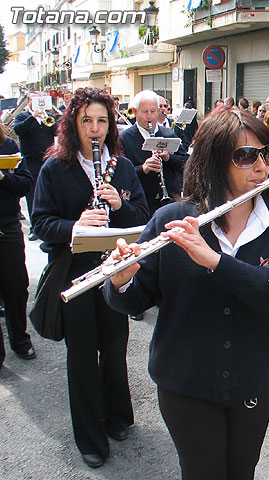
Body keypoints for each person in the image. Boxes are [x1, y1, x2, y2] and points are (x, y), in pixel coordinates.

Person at [103, 109, 269, 479]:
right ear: (215, 160)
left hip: (252, 381)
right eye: (246, 156)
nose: (260, 165)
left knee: (242, 472)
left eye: (266, 154)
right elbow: (134, 300)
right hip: (186, 384)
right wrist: (121, 279)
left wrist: (214, 261)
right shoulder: (173, 219)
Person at [31, 87, 149, 468]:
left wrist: (121, 204)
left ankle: (116, 416)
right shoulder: (55, 167)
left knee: (115, 347)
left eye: (102, 120)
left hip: (113, 271)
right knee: (82, 355)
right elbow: (41, 223)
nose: (95, 129)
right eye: (87, 121)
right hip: (76, 275)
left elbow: (142, 218)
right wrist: (76, 225)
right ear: (73, 125)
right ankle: (90, 436)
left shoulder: (123, 165)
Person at [0, 123, 36, 369]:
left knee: (15, 288)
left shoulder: (8, 146)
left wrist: (4, 176)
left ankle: (20, 340)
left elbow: (25, 184)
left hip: (7, 227)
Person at [120, 90, 188, 215]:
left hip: (168, 202)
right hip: (142, 201)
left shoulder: (169, 134)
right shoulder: (125, 138)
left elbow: (183, 164)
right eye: (145, 112)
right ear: (135, 112)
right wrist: (143, 169)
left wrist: (168, 158)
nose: (149, 117)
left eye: (153, 111)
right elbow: (121, 174)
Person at [13, 91, 57, 241]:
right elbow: (18, 130)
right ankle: (35, 228)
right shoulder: (23, 116)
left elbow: (57, 130)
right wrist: (33, 117)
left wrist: (45, 117)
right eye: (35, 100)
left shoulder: (47, 117)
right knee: (32, 196)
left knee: (51, 193)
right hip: (31, 161)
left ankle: (49, 223)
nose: (38, 103)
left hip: (48, 159)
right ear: (28, 102)